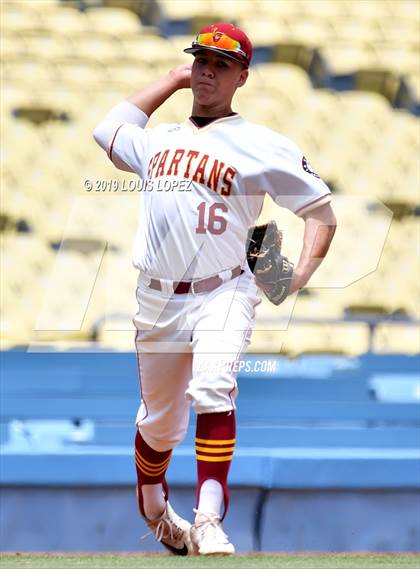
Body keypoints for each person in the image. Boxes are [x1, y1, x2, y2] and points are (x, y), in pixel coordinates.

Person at [93, 22, 336, 556]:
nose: (207, 69)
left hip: (225, 289)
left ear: (242, 76)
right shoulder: (158, 140)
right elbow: (107, 130)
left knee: (213, 388)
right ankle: (154, 507)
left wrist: (295, 278)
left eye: (221, 64)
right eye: (200, 59)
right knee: (159, 423)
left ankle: (208, 518)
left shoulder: (263, 144)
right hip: (156, 297)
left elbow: (322, 213)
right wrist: (172, 78)